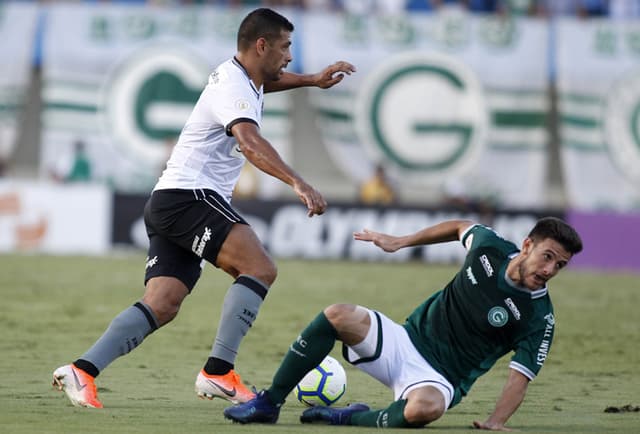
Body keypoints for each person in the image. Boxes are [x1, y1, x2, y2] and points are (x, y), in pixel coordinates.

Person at [52, 7, 356, 409]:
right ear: (261, 45)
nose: (289, 57)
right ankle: (218, 372)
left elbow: (273, 82)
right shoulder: (233, 85)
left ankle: (82, 370)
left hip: (169, 200)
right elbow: (249, 142)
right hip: (190, 197)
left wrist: (312, 81)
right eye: (284, 48)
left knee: (162, 303)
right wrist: (297, 181)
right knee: (260, 268)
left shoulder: (247, 78)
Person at [224, 217, 583, 430]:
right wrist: (401, 242)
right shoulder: (488, 248)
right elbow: (460, 226)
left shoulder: (539, 317)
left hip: (441, 380)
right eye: (547, 257)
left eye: (560, 265)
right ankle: (269, 403)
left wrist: (495, 421)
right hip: (405, 340)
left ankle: (345, 418)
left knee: (424, 409)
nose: (550, 270)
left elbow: (519, 378)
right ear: (526, 245)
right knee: (338, 314)